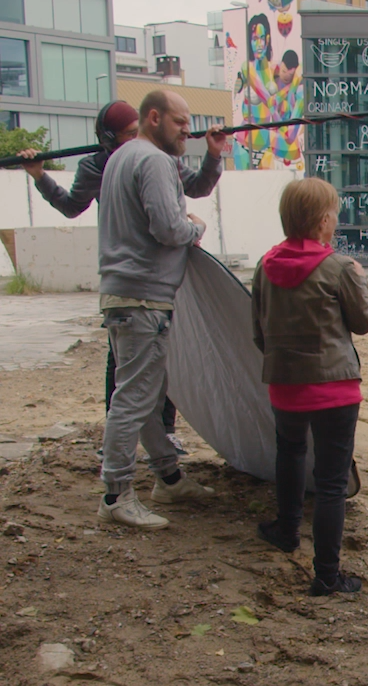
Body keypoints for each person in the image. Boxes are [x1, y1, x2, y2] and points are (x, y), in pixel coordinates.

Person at [22, 98, 226, 437]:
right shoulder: (100, 166)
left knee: (158, 364)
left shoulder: (163, 159)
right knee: (126, 374)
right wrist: (40, 176)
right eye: (128, 134)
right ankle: (119, 455)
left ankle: (163, 439)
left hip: (156, 277)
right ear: (108, 138)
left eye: (137, 132)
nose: (136, 139)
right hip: (133, 278)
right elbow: (73, 206)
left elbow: (199, 187)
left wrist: (214, 155)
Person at [96, 87, 230, 530]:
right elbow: (168, 227)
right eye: (180, 123)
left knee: (147, 395)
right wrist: (195, 227)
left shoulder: (122, 156)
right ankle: (116, 495)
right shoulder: (152, 160)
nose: (186, 132)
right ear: (153, 117)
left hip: (127, 295)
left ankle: (168, 478)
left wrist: (211, 159)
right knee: (133, 399)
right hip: (141, 298)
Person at [250, 177, 368, 598]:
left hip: (284, 386)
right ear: (323, 221)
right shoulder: (339, 268)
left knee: (289, 454)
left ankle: (286, 530)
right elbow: (363, 322)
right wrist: (361, 279)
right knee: (332, 482)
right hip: (335, 389)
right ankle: (326, 575)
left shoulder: (264, 265)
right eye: (335, 215)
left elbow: (258, 332)